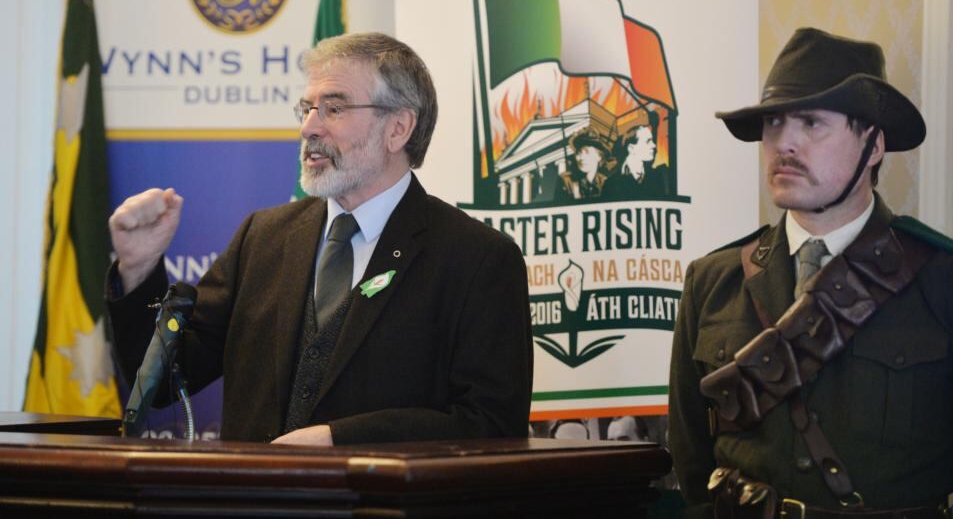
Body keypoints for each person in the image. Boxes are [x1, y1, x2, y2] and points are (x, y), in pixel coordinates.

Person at [107, 32, 533, 446]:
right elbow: (164, 381)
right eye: (307, 108)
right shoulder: (264, 237)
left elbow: (491, 422)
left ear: (398, 128)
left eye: (334, 109)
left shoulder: (476, 258)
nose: (309, 127)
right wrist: (140, 269)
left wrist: (341, 439)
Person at [668, 27, 953, 519]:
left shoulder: (945, 281)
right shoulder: (712, 283)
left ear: (874, 145)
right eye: (774, 123)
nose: (785, 143)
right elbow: (693, 460)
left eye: (811, 123)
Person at [604, 112, 667, 200]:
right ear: (631, 148)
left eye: (652, 141)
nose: (654, 145)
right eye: (648, 141)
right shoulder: (611, 184)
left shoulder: (656, 177)